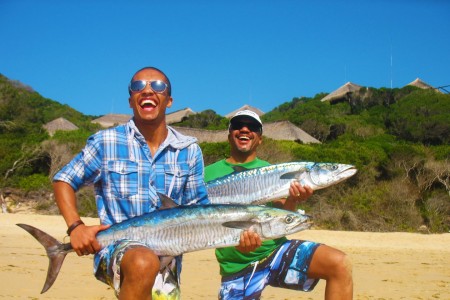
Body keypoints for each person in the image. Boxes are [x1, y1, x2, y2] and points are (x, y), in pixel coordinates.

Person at [53, 66, 209, 300]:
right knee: (142, 261)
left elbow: (200, 207)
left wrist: (240, 239)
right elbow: (64, 180)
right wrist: (76, 227)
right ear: (130, 100)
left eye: (157, 86)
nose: (147, 91)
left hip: (168, 258)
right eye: (138, 86)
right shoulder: (106, 142)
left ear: (169, 101)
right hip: (117, 249)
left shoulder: (189, 150)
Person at [204, 110, 353, 300]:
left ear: (260, 139)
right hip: (237, 264)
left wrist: (293, 199)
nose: (244, 129)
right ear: (229, 135)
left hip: (275, 251)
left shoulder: (270, 169)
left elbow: (283, 213)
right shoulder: (206, 174)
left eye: (253, 127)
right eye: (237, 125)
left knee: (339, 264)